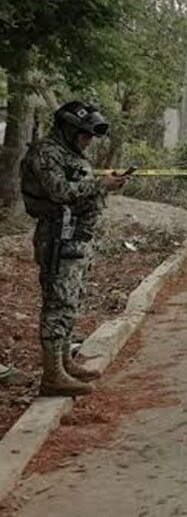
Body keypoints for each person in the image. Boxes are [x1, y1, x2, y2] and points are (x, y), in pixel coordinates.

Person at [20, 101, 128, 397]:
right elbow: (60, 192)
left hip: (77, 237)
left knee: (72, 299)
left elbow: (79, 187)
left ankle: (65, 362)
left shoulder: (70, 154)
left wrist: (107, 184)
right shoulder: (46, 152)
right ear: (68, 129)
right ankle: (52, 374)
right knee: (58, 302)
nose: (88, 141)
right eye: (84, 135)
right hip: (57, 237)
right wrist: (100, 185)